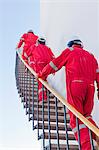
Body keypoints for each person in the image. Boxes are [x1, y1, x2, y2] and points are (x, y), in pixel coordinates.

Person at [37, 38, 99, 149]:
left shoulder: (70, 51)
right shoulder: (91, 56)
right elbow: (98, 75)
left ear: (71, 45)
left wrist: (41, 74)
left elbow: (54, 65)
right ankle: (96, 136)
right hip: (90, 88)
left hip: (76, 86)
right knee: (86, 116)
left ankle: (87, 147)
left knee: (76, 119)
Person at [25, 37, 55, 102]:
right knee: (43, 79)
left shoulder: (34, 46)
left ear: (38, 41)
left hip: (39, 64)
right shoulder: (48, 48)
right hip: (47, 65)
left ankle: (42, 98)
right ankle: (46, 91)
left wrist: (26, 62)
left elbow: (26, 55)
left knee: (40, 80)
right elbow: (53, 57)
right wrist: (53, 70)